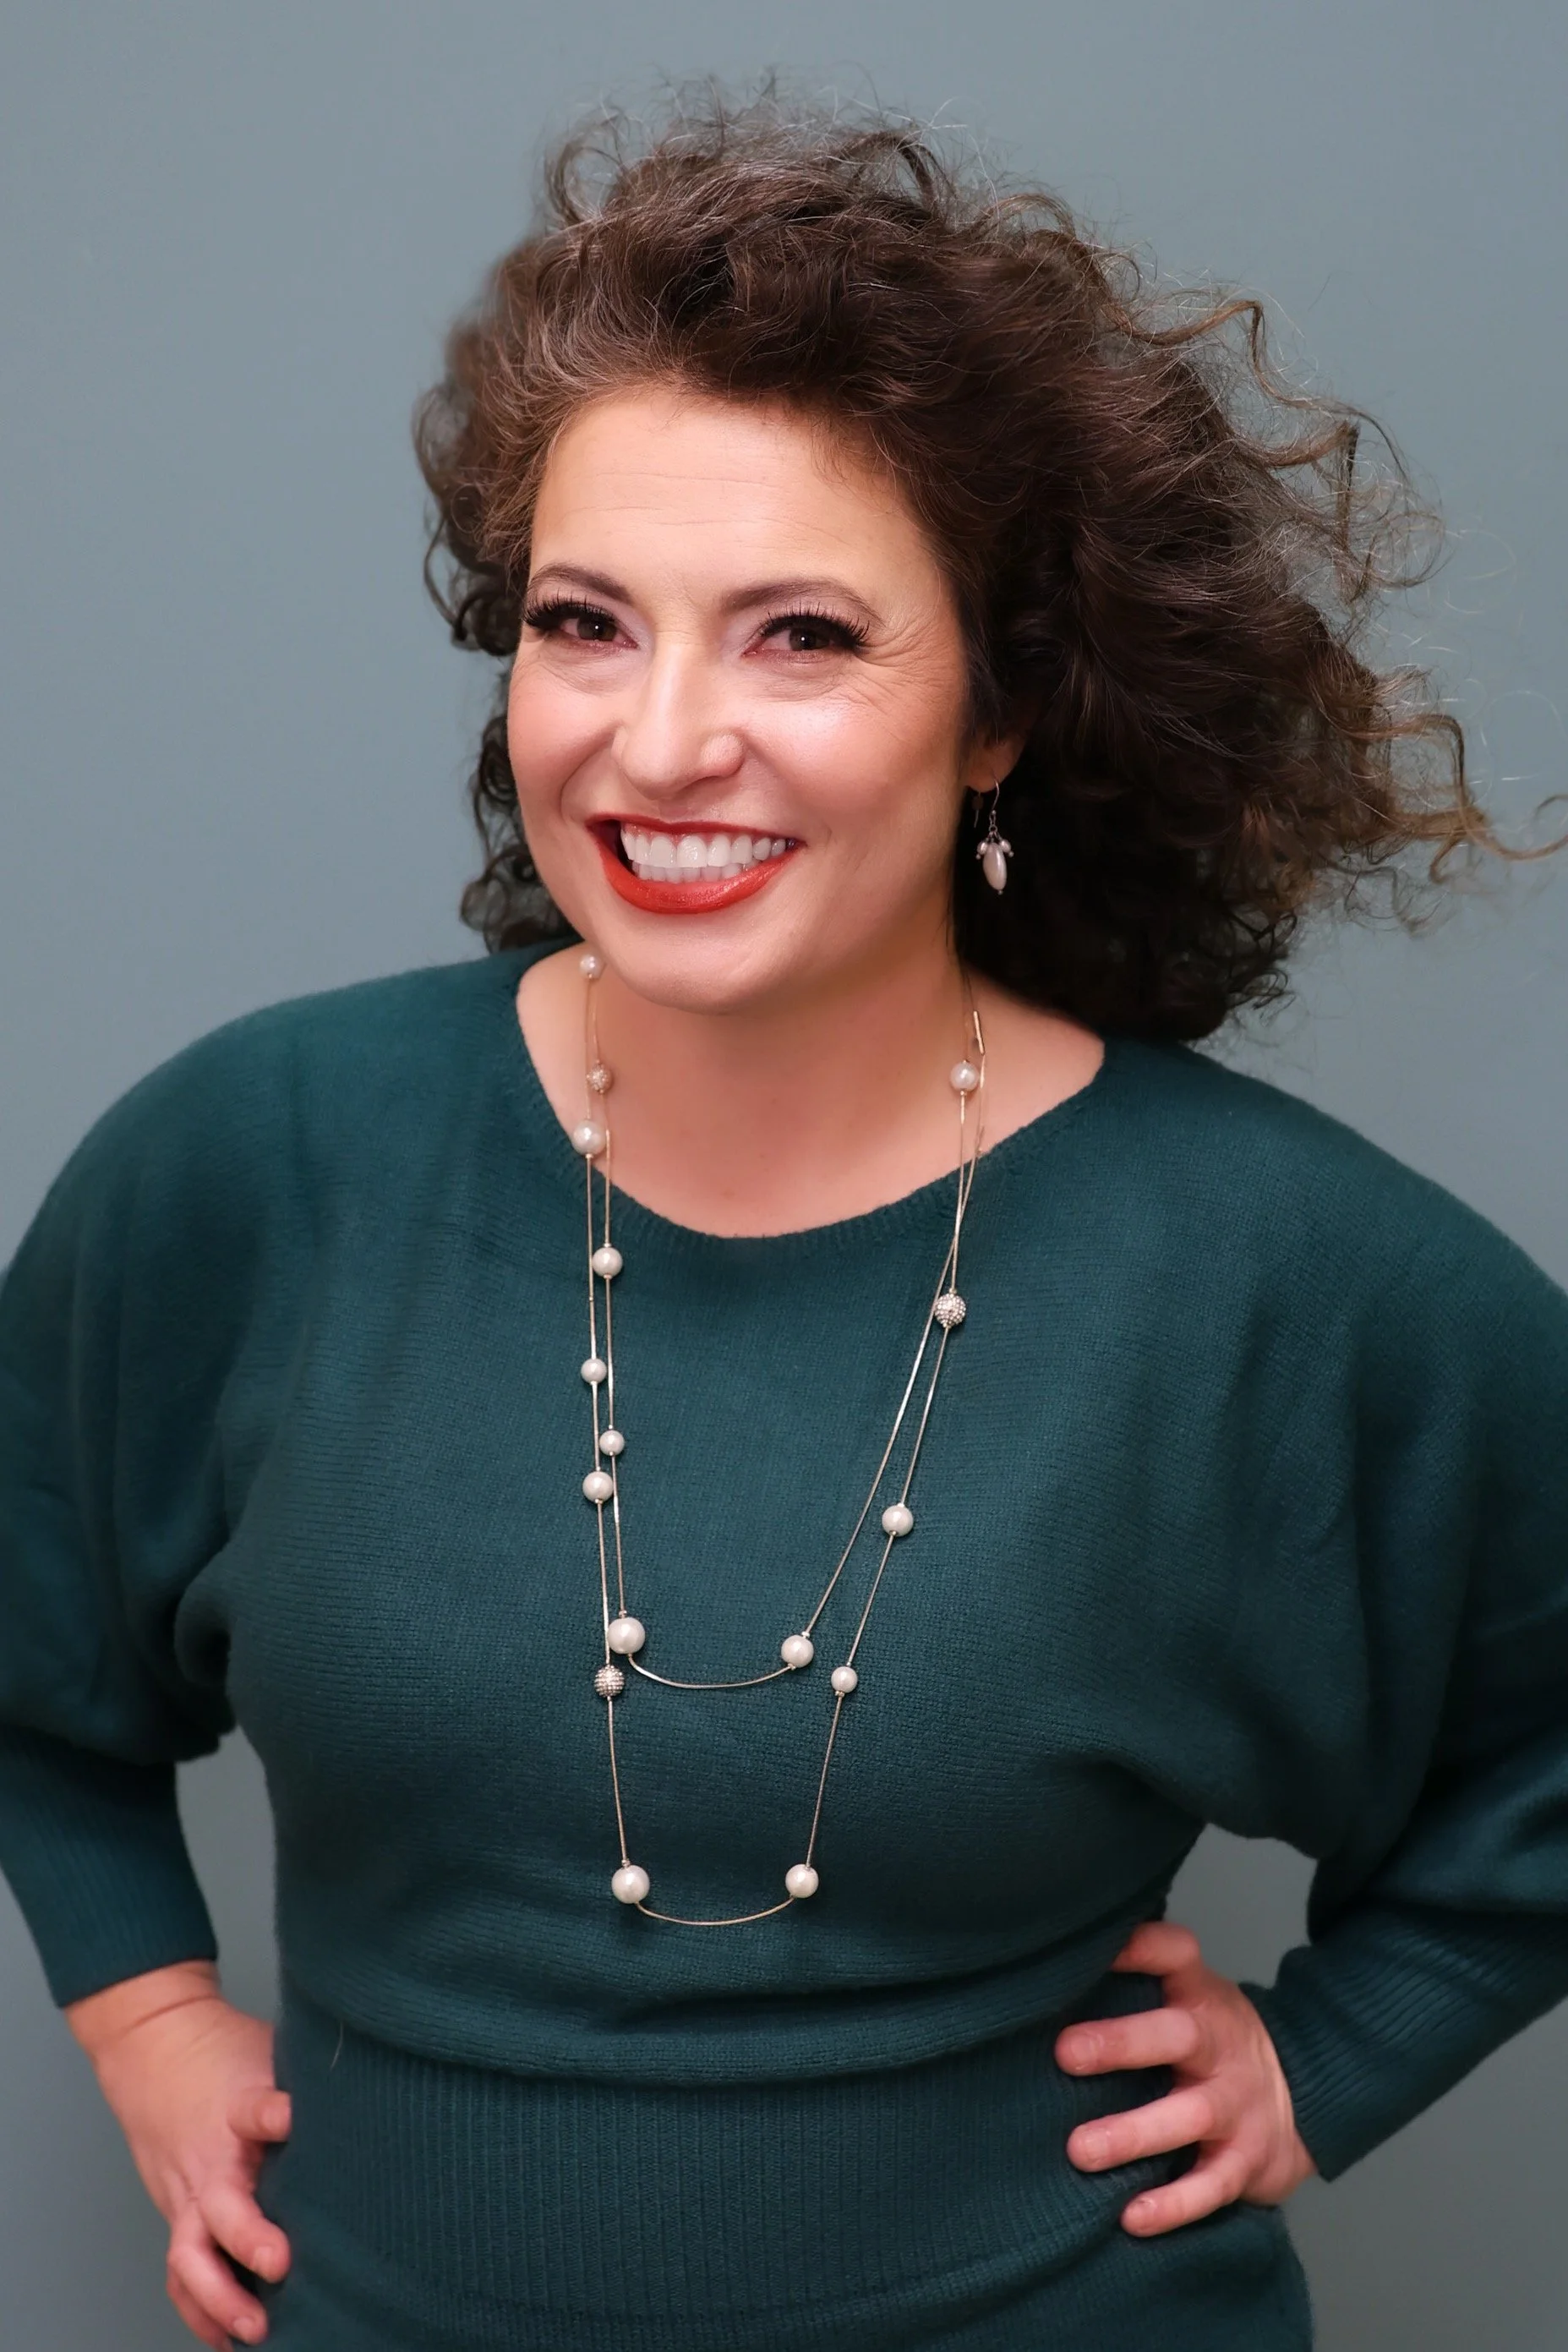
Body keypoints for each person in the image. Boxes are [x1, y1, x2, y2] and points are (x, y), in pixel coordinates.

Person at [2, 97, 1565, 2352]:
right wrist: (149, 2029)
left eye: (800, 636)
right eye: (581, 622)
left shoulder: (1273, 1270)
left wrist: (1336, 2051)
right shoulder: (254, 1163)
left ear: (1004, 710)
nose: (659, 739)